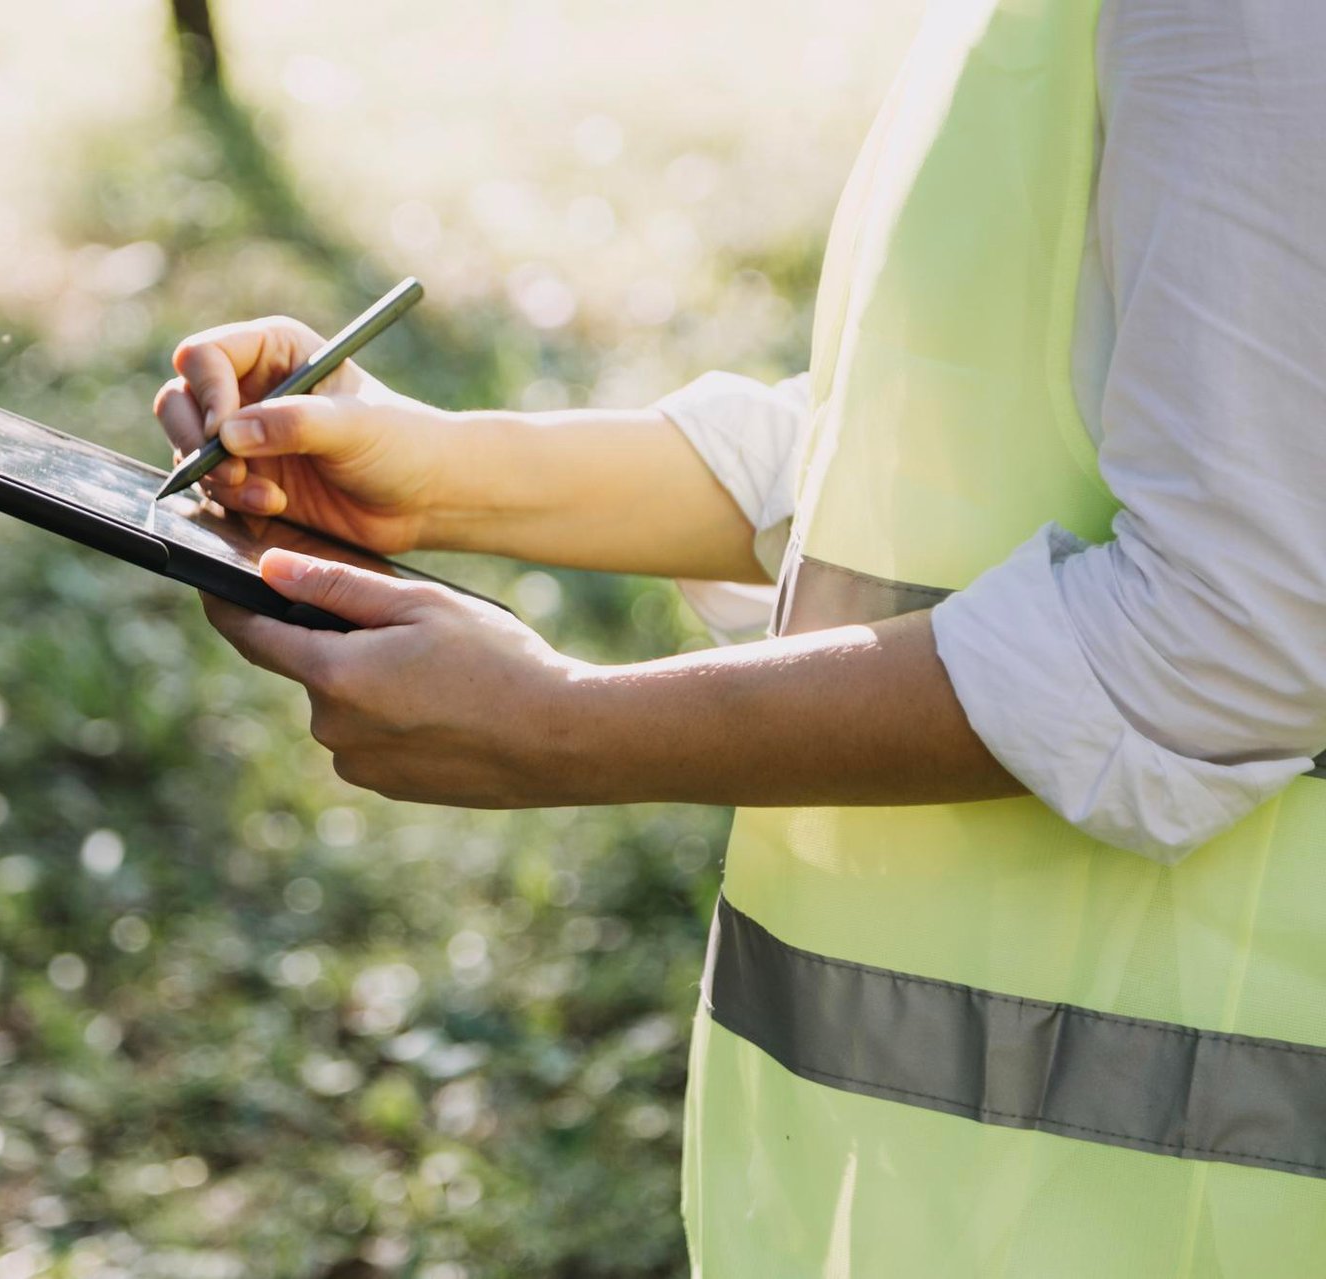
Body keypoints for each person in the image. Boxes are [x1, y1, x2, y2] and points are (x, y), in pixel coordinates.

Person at [152, 0, 1326, 1272]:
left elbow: (1239, 627)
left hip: (1186, 1206)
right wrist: (436, 472)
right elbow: (914, 442)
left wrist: (562, 731)